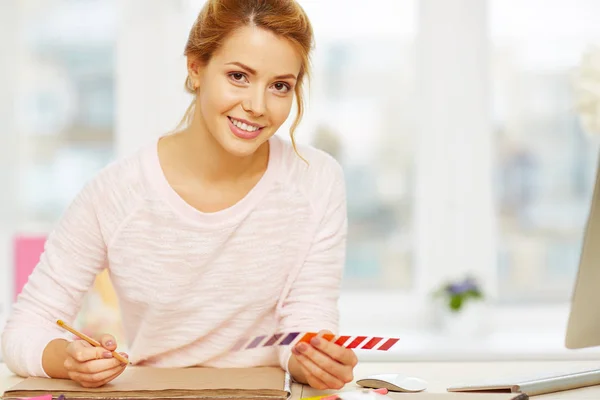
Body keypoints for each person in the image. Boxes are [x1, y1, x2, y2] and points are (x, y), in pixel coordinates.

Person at [1, 0, 356, 391]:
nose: (257, 106)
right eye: (238, 76)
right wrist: (66, 359)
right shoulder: (116, 193)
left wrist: (314, 361)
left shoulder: (317, 180)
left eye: (279, 86)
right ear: (196, 67)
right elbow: (25, 328)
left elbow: (307, 319)